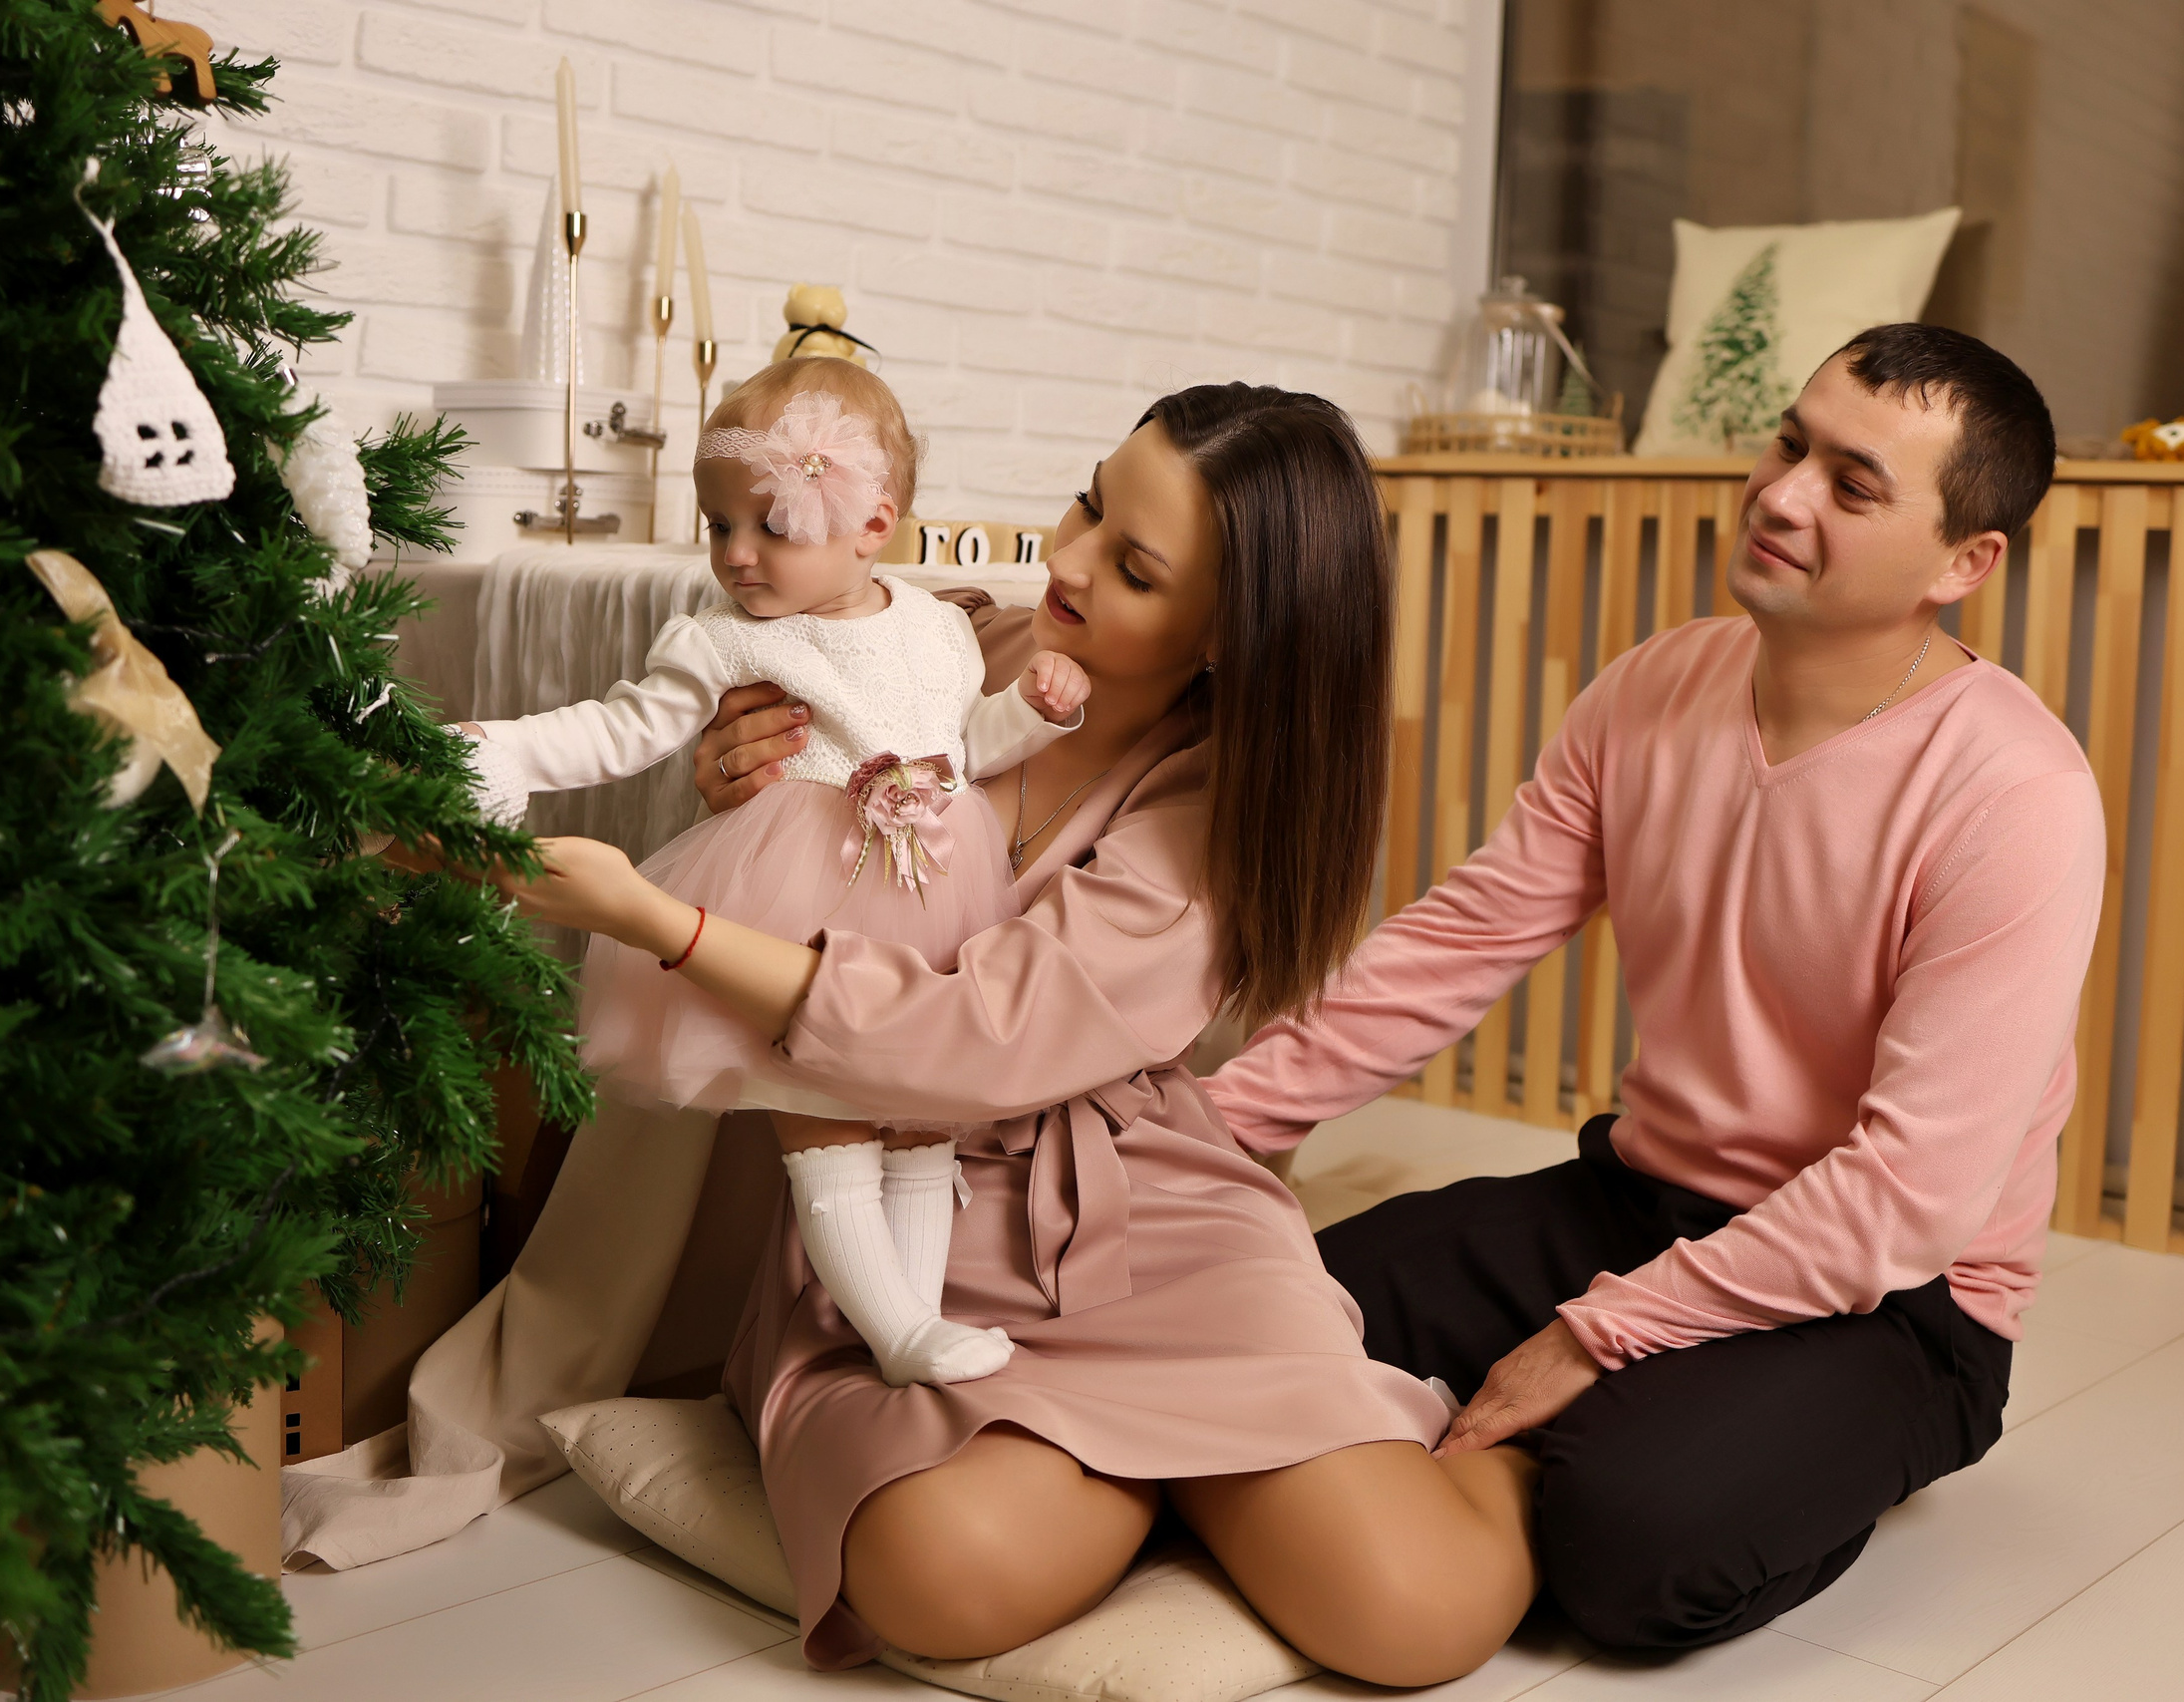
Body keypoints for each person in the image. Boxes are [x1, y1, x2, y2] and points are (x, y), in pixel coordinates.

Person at [492, 385, 1540, 1684]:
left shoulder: (1207, 813)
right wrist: (737, 795)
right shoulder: (936, 643)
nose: (1072, 558)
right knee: (933, 1573)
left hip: (1150, 1221)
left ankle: (1393, 1451)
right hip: (900, 1225)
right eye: (1092, 500)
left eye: (1136, 566)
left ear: (1230, 635)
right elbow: (769, 751)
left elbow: (972, 1033)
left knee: (1421, 1609)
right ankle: (1164, 1475)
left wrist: (665, 922)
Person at [1197, 323, 2108, 1652]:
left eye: (1853, 486)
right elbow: (1461, 939)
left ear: (1965, 564)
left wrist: (1592, 1336)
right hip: (1640, 1197)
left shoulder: (2019, 795)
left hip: (1900, 1300)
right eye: (1790, 442)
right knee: (1258, 1296)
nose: (1784, 492)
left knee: (1623, 1539)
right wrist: (1209, 1136)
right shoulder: (1651, 689)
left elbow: (1906, 1201)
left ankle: (1821, 1453)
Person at [456, 359, 1088, 1388]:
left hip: (933, 883)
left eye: (771, 529)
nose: (736, 557)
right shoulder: (724, 639)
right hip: (799, 895)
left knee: (923, 1111)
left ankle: (919, 1323)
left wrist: (1038, 711)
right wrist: (513, 751)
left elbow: (964, 746)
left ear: (870, 526)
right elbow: (625, 728)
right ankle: (893, 1330)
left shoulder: (934, 627)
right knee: (820, 1103)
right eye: (716, 527)